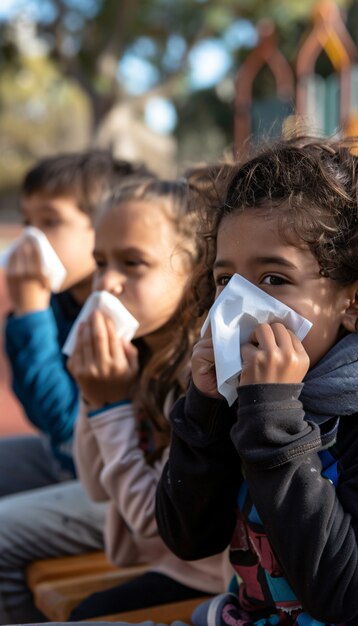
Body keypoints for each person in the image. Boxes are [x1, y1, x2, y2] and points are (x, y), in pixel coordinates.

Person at [156, 136, 358, 626]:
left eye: (273, 279)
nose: (239, 308)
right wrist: (202, 411)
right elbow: (188, 537)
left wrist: (273, 419)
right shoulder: (237, 393)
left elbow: (344, 596)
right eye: (227, 282)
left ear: (351, 303)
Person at [66, 176, 231, 620]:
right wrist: (93, 393)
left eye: (132, 263)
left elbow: (154, 522)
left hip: (210, 580)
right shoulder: (135, 355)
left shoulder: (202, 373)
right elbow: (97, 487)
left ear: (197, 269)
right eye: (101, 262)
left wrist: (108, 407)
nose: (106, 283)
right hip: (165, 566)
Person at [0, 152, 151, 625]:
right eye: (27, 221)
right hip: (70, 461)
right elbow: (36, 410)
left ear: (104, 227)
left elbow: (66, 423)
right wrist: (34, 314)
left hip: (117, 485)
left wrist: (29, 314)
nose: (31, 238)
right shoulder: (63, 300)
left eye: (50, 222)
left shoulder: (134, 315)